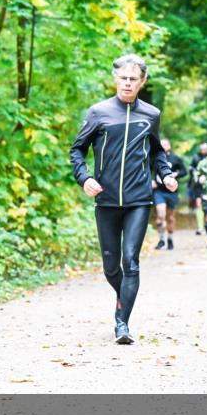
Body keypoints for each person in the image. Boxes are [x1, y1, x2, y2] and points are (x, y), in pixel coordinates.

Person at [69, 54, 178, 345]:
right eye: (123, 78)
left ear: (142, 82)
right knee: (111, 266)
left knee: (131, 261)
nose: (128, 83)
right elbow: (77, 150)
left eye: (133, 79)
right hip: (105, 201)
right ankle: (125, 297)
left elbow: (156, 152)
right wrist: (85, 178)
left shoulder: (150, 115)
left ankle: (122, 323)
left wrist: (165, 173)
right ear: (115, 79)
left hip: (139, 200)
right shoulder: (98, 112)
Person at [152, 137, 187, 250]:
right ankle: (161, 239)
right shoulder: (154, 158)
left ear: (169, 146)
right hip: (159, 191)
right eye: (161, 144)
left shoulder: (175, 158)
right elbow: (148, 170)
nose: (163, 146)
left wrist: (176, 174)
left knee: (170, 217)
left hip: (172, 191)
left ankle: (170, 238)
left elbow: (184, 171)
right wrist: (151, 180)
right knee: (161, 213)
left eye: (165, 144)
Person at [186, 142, 207, 235]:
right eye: (202, 149)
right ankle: (200, 227)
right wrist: (193, 172)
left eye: (205, 148)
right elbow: (190, 169)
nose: (204, 150)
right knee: (198, 204)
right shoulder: (195, 158)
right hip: (197, 185)